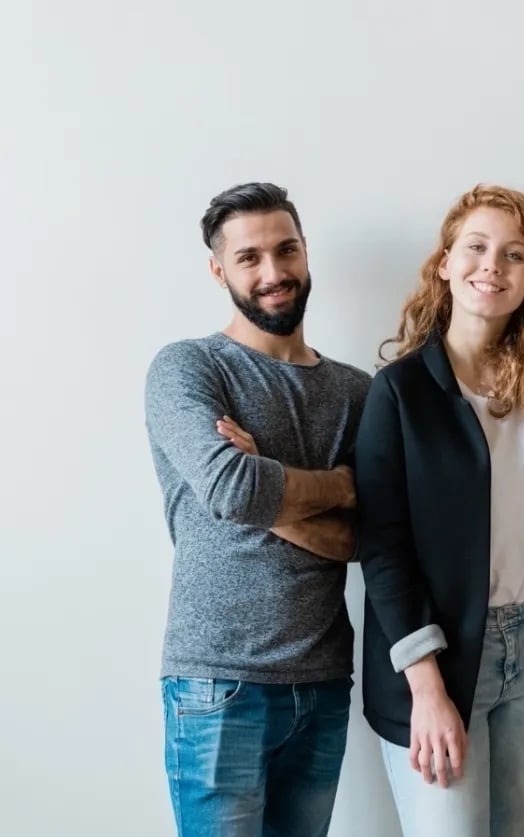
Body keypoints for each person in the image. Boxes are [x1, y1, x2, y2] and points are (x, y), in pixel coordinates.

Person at [354, 185, 524, 837]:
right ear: (445, 265)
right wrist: (427, 687)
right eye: (477, 247)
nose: (493, 265)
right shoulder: (399, 392)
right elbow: (383, 550)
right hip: (437, 660)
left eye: (515, 255)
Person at [145, 181, 369, 837]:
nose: (273, 272)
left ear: (305, 253)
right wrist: (340, 483)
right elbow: (232, 489)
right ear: (219, 269)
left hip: (324, 682)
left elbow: (364, 536)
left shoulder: (357, 391)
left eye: (286, 249)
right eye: (249, 257)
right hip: (217, 683)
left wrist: (261, 486)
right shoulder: (189, 368)